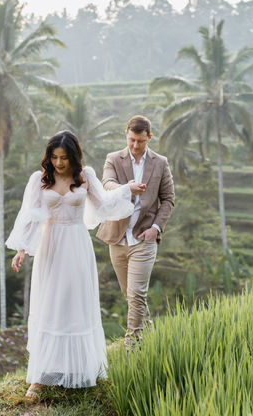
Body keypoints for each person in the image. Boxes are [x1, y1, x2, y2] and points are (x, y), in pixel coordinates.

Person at [7, 130, 135, 399]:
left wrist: (127, 190)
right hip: (51, 245)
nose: (59, 163)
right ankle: (41, 376)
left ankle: (79, 369)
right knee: (51, 303)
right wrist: (21, 249)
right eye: (54, 157)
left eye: (64, 157)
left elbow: (105, 204)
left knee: (75, 303)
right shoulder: (40, 179)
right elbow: (29, 217)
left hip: (77, 244)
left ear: (73, 156)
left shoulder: (85, 175)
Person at [96, 115, 175, 347]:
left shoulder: (160, 163)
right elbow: (106, 184)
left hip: (144, 237)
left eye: (140, 141)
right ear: (126, 135)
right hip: (117, 238)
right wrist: (126, 189)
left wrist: (156, 228)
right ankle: (152, 339)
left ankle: (132, 345)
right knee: (130, 295)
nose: (135, 145)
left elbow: (168, 199)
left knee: (137, 293)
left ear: (149, 137)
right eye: (131, 140)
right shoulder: (113, 159)